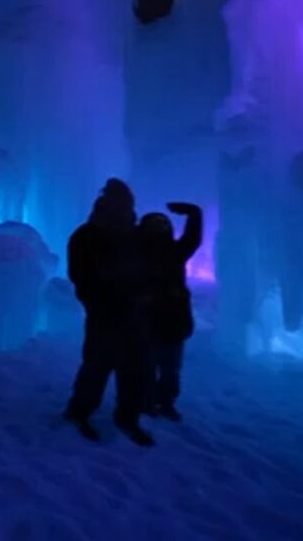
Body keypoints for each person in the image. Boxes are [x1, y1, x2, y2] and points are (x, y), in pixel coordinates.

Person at [62, 178, 154, 446]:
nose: (126, 209)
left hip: (134, 312)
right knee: (97, 366)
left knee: (134, 368)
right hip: (104, 313)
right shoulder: (86, 235)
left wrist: (146, 293)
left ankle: (128, 417)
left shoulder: (135, 235)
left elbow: (149, 268)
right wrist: (105, 286)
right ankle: (78, 412)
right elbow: (79, 275)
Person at [137, 202, 203, 421]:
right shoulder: (141, 255)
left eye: (161, 225)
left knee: (169, 369)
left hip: (171, 321)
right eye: (156, 226)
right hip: (155, 321)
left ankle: (163, 402)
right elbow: (192, 240)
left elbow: (192, 239)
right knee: (151, 366)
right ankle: (148, 401)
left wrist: (194, 214)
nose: (159, 229)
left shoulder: (173, 252)